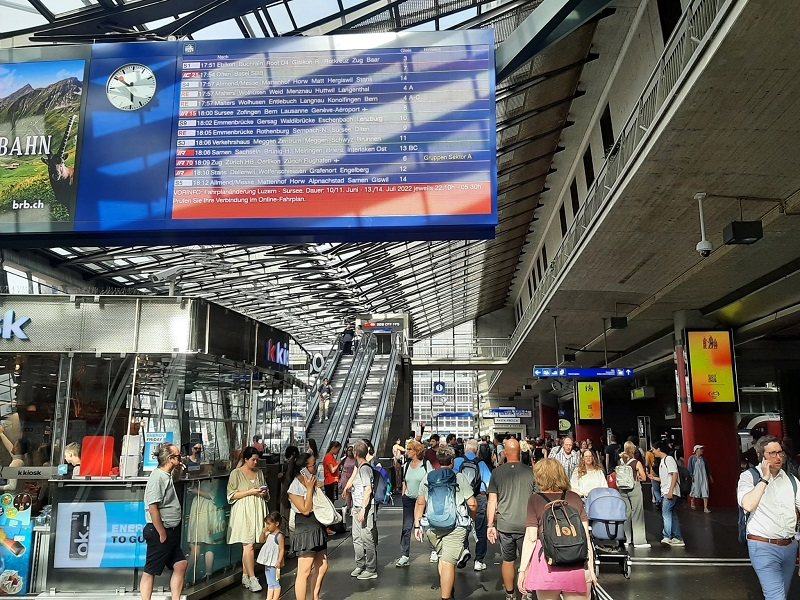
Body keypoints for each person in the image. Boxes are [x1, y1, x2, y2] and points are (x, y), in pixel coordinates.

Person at [518, 459, 597, 600]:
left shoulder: (535, 500)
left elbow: (531, 538)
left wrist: (523, 570)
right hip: (577, 564)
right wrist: (590, 567)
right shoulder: (574, 498)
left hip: (547, 564)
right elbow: (585, 536)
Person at [738, 435, 800, 600]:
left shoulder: (791, 480)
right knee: (776, 596)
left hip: (790, 547)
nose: (778, 457)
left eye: (780, 453)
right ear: (761, 457)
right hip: (763, 546)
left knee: (782, 594)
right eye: (772, 453)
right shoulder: (748, 477)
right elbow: (748, 505)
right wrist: (764, 478)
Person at [414, 445, 478, 600]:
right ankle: (446, 597)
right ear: (452, 461)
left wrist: (417, 525)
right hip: (455, 527)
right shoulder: (459, 477)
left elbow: (420, 503)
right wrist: (472, 518)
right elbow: (473, 504)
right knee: (449, 562)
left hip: (432, 526)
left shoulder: (428, 477)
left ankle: (448, 592)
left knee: (443, 558)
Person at [487, 438, 537, 600]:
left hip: (505, 524)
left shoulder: (497, 473)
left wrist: (490, 524)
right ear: (520, 453)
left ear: (505, 453)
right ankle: (526, 592)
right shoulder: (531, 472)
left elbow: (492, 501)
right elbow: (537, 499)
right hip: (527, 524)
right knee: (527, 560)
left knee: (508, 560)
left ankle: (510, 594)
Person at [140, 444, 187, 600]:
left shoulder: (167, 475)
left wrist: (180, 467)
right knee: (151, 569)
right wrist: (161, 532)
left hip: (170, 530)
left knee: (180, 564)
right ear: (170, 458)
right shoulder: (157, 477)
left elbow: (177, 478)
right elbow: (153, 507)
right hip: (160, 530)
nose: (180, 459)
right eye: (178, 457)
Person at [227, 446, 269, 592]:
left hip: (257, 508)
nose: (256, 463)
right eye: (253, 460)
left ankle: (245, 575)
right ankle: (252, 577)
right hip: (243, 511)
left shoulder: (259, 473)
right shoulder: (236, 473)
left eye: (257, 460)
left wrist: (263, 493)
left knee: (251, 544)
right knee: (248, 544)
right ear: (246, 459)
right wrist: (250, 492)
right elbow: (231, 495)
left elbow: (266, 490)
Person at [288, 452, 329, 600]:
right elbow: (305, 509)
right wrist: (310, 488)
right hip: (305, 526)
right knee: (304, 570)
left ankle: (315, 596)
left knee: (323, 565)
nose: (315, 468)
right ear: (303, 468)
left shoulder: (312, 481)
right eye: (312, 465)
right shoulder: (295, 486)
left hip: (317, 525)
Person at [454, 438, 492, 571]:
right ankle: (479, 561)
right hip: (479, 498)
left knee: (462, 525)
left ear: (465, 448)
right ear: (477, 451)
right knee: (480, 529)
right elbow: (488, 483)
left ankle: (464, 551)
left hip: (462, 498)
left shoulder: (458, 461)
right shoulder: (481, 463)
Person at [350, 440, 378, 580]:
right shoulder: (360, 466)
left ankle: (371, 568)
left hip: (364, 508)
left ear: (355, 453)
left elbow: (368, 490)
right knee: (357, 537)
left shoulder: (365, 468)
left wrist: (362, 509)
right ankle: (360, 564)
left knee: (367, 537)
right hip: (357, 507)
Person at [186, 478, 224, 583]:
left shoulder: (212, 477)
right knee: (208, 545)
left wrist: (195, 491)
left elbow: (212, 494)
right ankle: (208, 574)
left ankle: (185, 575)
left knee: (196, 545)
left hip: (203, 509)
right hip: (209, 509)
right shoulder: (212, 477)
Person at [397, 439, 427, 567]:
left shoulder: (426, 464)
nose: (407, 451)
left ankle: (434, 550)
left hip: (423, 499)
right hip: (409, 499)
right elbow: (405, 480)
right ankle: (405, 554)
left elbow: (430, 479)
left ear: (416, 451)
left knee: (427, 524)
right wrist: (404, 493)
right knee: (406, 526)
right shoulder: (407, 465)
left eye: (410, 449)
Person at [652, 441, 683, 547]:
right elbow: (666, 478)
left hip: (669, 492)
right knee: (672, 514)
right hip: (668, 491)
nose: (653, 451)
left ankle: (667, 536)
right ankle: (677, 537)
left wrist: (670, 491)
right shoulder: (663, 461)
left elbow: (675, 474)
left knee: (666, 514)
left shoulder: (668, 459)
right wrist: (653, 478)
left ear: (659, 449)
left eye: (654, 449)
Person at [618, 441, 649, 548]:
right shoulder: (636, 463)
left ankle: (627, 539)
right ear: (634, 450)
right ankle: (639, 541)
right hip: (634, 488)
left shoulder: (621, 461)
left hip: (622, 489)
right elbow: (644, 478)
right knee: (637, 513)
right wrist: (638, 478)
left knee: (627, 514)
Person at [257, 512, 286, 600]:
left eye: (269, 524)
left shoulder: (279, 536)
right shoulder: (268, 533)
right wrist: (263, 533)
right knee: (269, 581)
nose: (267, 526)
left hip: (274, 562)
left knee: (275, 581)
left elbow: (281, 549)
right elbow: (261, 541)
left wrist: (279, 561)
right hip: (268, 561)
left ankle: (275, 598)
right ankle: (269, 598)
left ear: (276, 524)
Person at [687, 444, 713, 512]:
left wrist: (710, 476)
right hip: (696, 476)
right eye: (700, 449)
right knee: (695, 489)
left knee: (705, 489)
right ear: (696, 450)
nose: (702, 450)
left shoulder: (704, 459)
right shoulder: (692, 458)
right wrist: (691, 476)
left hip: (703, 476)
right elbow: (690, 468)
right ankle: (692, 502)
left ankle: (705, 508)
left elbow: (707, 468)